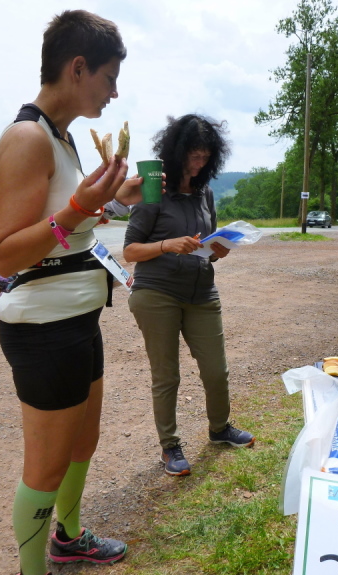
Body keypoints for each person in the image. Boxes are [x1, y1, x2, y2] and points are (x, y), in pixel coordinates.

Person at [0, 10, 142, 575]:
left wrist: (106, 205)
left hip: (79, 318)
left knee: (84, 440)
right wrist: (79, 207)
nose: (114, 92)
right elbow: (5, 252)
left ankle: (68, 537)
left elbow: (63, 224)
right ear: (77, 68)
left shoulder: (63, 137)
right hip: (42, 329)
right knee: (47, 464)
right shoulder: (27, 139)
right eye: (109, 77)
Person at [123, 114, 255, 477]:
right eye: (194, 156)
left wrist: (217, 251)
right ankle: (170, 447)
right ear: (177, 152)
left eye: (206, 157)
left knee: (216, 370)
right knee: (167, 376)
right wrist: (167, 245)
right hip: (157, 294)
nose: (200, 163)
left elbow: (206, 247)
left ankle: (220, 429)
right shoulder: (154, 192)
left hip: (201, 292)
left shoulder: (205, 193)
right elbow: (130, 251)